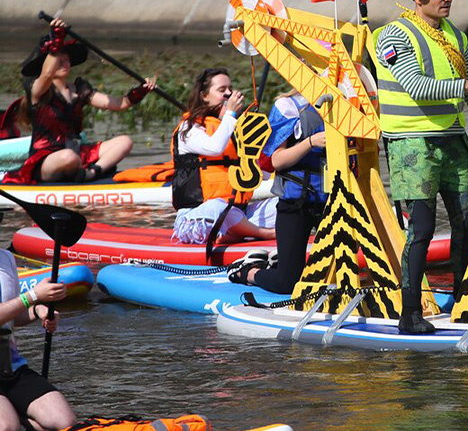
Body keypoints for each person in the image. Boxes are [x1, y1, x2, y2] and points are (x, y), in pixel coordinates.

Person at [374, 0, 468, 334]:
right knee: (423, 229)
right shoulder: (393, 36)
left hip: (453, 140)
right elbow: (416, 85)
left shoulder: (456, 36)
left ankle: (464, 302)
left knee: (466, 223)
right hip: (411, 145)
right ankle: (410, 314)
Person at [3, 17, 156, 184]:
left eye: (66, 59)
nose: (64, 63)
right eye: (58, 60)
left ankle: (91, 173)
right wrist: (56, 42)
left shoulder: (80, 90)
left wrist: (140, 91)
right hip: (47, 159)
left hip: (77, 154)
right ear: (46, 65)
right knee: (68, 157)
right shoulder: (37, 90)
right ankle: (78, 171)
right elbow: (46, 75)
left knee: (125, 141)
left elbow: (121, 104)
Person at [228, 90, 326, 290]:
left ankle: (278, 260)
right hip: (296, 202)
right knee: (287, 283)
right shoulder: (288, 106)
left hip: (333, 201)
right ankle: (247, 271)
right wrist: (310, 142)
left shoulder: (347, 105)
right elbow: (276, 160)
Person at [171, 68, 277, 245]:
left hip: (238, 214)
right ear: (204, 96)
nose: (229, 93)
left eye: (230, 88)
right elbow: (214, 148)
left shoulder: (233, 129)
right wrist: (231, 114)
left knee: (285, 202)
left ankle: (239, 232)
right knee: (219, 206)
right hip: (199, 217)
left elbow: (263, 175)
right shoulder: (188, 129)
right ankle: (264, 234)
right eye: (222, 90)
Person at [0, 248, 75, 431]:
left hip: (10, 366)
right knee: (7, 426)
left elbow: (11, 315)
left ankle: (18, 418)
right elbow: (24, 300)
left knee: (65, 422)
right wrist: (33, 296)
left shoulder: (6, 258)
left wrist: (38, 310)